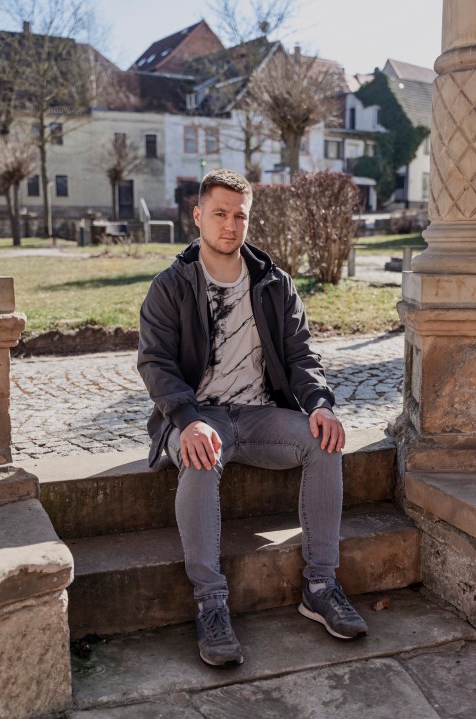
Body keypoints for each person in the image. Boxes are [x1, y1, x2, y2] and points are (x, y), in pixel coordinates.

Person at [138, 168, 368, 667]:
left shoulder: (273, 284)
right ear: (197, 216)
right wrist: (186, 419)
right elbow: (155, 364)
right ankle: (210, 602)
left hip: (260, 416)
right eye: (219, 214)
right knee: (200, 458)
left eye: (240, 216)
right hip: (197, 418)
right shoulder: (171, 286)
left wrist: (321, 405)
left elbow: (302, 355)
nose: (230, 225)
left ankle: (321, 585)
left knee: (324, 441)